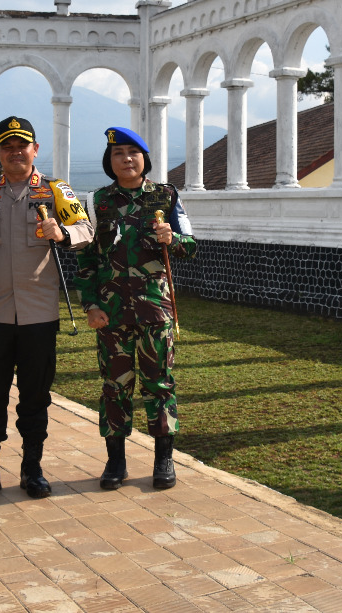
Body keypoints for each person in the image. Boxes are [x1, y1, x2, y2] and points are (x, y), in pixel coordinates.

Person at [0, 116, 93, 500]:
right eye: (8, 146)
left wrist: (63, 233)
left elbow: (86, 230)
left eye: (23, 145)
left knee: (35, 396)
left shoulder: (55, 190)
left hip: (39, 314)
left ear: (35, 149)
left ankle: (32, 469)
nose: (16, 152)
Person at [75, 127, 196, 491]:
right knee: (115, 387)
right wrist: (91, 304)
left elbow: (191, 244)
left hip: (155, 311)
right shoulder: (97, 202)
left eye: (133, 153)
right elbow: (87, 259)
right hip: (112, 314)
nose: (126, 159)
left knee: (159, 385)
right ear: (109, 162)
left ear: (144, 159)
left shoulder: (167, 196)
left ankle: (164, 460)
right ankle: (116, 462)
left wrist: (173, 239)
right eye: (118, 154)